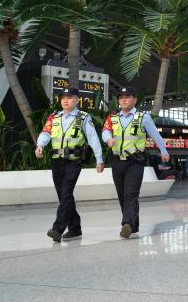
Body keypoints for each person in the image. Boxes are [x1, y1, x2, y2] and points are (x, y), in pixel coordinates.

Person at [36, 87, 104, 242]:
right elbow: (46, 133)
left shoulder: (83, 117)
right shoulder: (54, 117)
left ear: (77, 100)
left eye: (70, 97)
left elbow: (93, 138)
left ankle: (57, 229)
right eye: (63, 98)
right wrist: (40, 145)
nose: (65, 100)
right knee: (63, 195)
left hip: (74, 160)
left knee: (66, 193)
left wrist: (99, 159)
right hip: (57, 160)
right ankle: (75, 227)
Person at [102, 87, 170, 239]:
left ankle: (127, 224)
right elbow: (105, 131)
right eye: (121, 97)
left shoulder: (143, 117)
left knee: (131, 194)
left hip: (135, 162)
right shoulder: (113, 117)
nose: (123, 100)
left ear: (134, 100)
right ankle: (133, 225)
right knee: (122, 195)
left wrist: (164, 151)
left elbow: (155, 135)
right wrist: (108, 139)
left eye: (127, 97)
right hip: (117, 161)